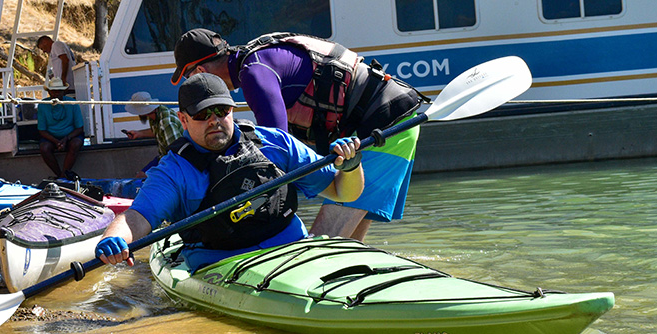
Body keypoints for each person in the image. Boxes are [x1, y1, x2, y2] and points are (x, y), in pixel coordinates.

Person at [169, 29, 422, 242]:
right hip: (393, 122)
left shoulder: (254, 73)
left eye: (190, 76)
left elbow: (275, 148)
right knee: (347, 243)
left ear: (201, 70)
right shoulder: (257, 59)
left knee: (322, 241)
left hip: (383, 127)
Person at [95, 73, 363, 272]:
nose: (214, 120)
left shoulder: (275, 143)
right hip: (220, 265)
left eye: (221, 111)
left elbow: (343, 192)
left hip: (292, 251)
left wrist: (351, 167)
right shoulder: (173, 170)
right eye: (202, 114)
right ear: (183, 120)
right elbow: (138, 217)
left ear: (232, 110)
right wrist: (114, 238)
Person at [123, 90, 184, 175]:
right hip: (164, 158)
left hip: (174, 162)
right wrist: (138, 133)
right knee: (141, 175)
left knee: (144, 177)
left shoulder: (166, 122)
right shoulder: (156, 115)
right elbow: (159, 131)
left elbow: (176, 152)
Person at [37, 77, 85, 179]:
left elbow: (79, 128)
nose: (56, 94)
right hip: (51, 137)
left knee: (76, 143)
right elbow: (42, 130)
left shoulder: (72, 103)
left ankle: (63, 175)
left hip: (70, 136)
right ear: (49, 92)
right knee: (44, 148)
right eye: (53, 91)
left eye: (58, 91)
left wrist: (65, 139)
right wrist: (56, 142)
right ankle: (60, 175)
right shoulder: (43, 105)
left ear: (63, 92)